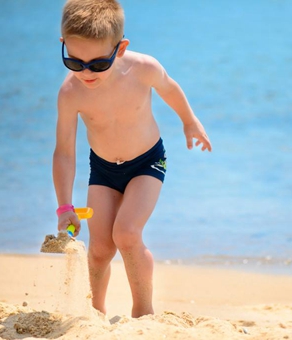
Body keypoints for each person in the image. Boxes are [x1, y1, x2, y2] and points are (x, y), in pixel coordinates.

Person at [53, 0, 211, 318]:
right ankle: (95, 312)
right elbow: (65, 152)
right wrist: (65, 206)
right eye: (74, 62)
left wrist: (189, 121)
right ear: (64, 45)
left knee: (126, 233)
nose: (85, 73)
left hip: (147, 163)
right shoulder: (71, 93)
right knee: (99, 249)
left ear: (120, 48)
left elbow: (169, 88)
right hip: (102, 169)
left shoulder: (143, 69)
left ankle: (143, 311)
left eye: (97, 64)